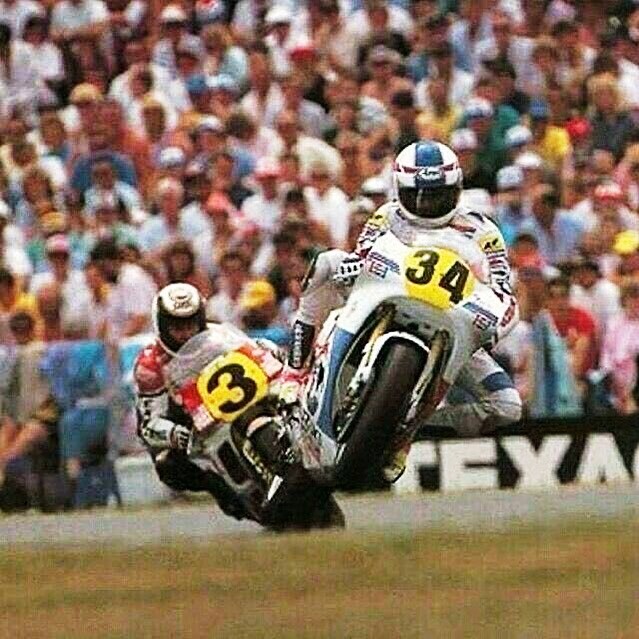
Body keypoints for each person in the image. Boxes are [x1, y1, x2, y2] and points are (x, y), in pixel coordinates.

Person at [279, 140, 523, 482]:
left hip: (451, 319)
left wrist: (497, 322)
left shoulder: (484, 231)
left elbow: (501, 288)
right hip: (385, 296)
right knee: (325, 264)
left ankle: (408, 428)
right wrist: (352, 266)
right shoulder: (388, 214)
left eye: (437, 195)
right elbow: (362, 253)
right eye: (417, 195)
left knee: (506, 406)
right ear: (400, 189)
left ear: (456, 189)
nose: (427, 204)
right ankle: (293, 372)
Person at [133, 282, 286, 520]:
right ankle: (222, 490)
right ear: (162, 326)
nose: (186, 333)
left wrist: (269, 352)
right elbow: (148, 425)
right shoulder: (150, 365)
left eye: (191, 324)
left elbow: (254, 350)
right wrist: (176, 434)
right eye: (177, 327)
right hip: (184, 420)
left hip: (232, 400)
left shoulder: (218, 336)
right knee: (167, 465)